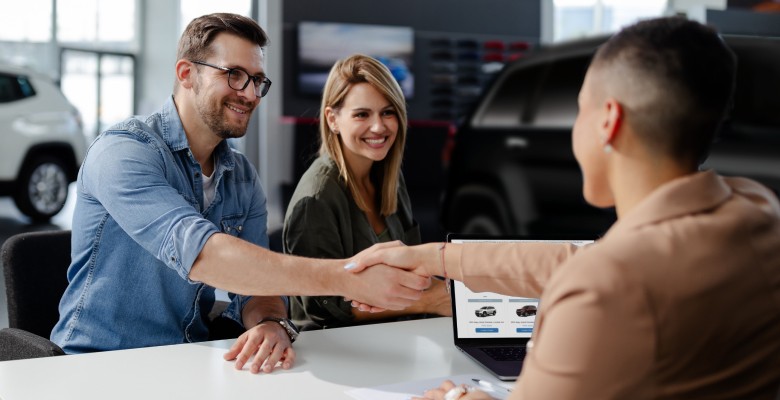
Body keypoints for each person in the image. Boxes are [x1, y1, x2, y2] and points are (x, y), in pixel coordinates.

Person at [351, 16, 780, 399]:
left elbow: (597, 275)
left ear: (608, 121)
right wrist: (434, 257)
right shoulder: (758, 211)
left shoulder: (605, 291)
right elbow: (578, 261)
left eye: (578, 111)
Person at [50, 13, 430, 374]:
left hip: (186, 359)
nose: (249, 93)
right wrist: (348, 279)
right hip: (98, 364)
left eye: (257, 80)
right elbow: (206, 257)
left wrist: (270, 322)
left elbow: (257, 291)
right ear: (186, 73)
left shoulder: (242, 176)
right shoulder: (124, 152)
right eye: (234, 75)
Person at [283, 54, 451, 330]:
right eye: (362, 114)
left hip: (397, 338)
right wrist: (429, 301)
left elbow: (413, 268)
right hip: (337, 352)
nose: (379, 127)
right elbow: (324, 308)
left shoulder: (389, 179)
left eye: (388, 112)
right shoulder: (316, 199)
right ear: (333, 119)